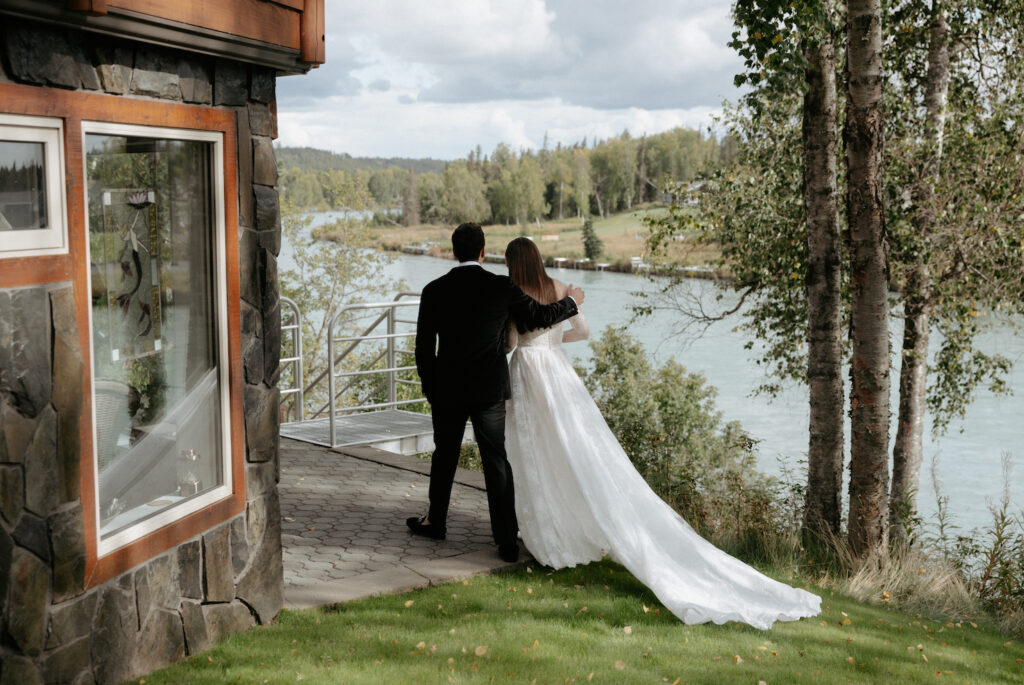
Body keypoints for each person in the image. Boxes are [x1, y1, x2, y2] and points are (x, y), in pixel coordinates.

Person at [502, 236, 821, 629]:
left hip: (526, 374)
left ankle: (551, 535)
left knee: (537, 455)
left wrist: (530, 342)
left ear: (512, 264)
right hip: (558, 372)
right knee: (578, 450)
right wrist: (552, 340)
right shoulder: (561, 288)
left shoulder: (512, 294)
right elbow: (582, 333)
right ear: (538, 259)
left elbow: (513, 341)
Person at [408, 223, 584, 563]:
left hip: (447, 389)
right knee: (496, 461)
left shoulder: (434, 290)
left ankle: (435, 522)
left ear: (454, 251)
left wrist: (431, 387)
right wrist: (572, 302)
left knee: (444, 456)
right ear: (483, 251)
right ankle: (505, 542)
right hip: (489, 390)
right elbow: (538, 318)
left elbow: (423, 347)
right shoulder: (501, 286)